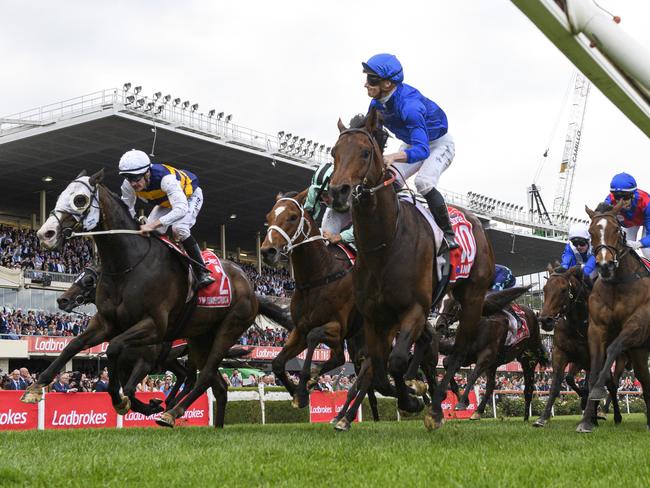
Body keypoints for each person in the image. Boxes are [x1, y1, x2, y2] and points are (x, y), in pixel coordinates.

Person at [362, 53, 459, 251]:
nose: (366, 84)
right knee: (389, 177)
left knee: (423, 182)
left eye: (372, 80)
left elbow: (422, 150)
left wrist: (393, 156)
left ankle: (447, 233)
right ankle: (397, 224)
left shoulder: (410, 106)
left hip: (438, 145)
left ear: (388, 84)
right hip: (412, 142)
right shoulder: (376, 103)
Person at [118, 149, 215, 288]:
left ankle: (202, 271)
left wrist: (152, 225)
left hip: (189, 198)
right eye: (129, 179)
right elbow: (126, 208)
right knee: (150, 234)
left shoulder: (166, 179)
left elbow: (181, 209)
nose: (133, 184)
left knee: (179, 229)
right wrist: (135, 222)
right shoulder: (128, 185)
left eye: (136, 179)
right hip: (166, 202)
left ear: (147, 173)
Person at [305, 162, 356, 247]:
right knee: (327, 236)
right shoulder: (314, 190)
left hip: (365, 212)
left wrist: (341, 237)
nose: (324, 199)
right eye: (321, 194)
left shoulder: (355, 193)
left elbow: (365, 226)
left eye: (326, 194)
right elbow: (307, 218)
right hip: (339, 209)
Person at [605, 172, 650, 259]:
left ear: (633, 195)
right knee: (624, 249)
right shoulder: (609, 201)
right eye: (617, 197)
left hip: (646, 221)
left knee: (647, 251)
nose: (621, 202)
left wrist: (639, 243)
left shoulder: (647, 203)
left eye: (625, 197)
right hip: (629, 224)